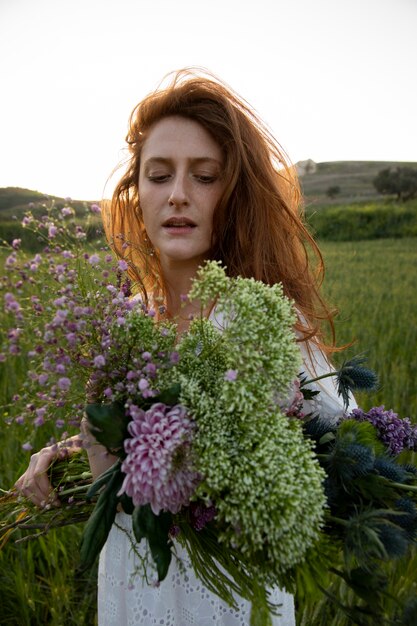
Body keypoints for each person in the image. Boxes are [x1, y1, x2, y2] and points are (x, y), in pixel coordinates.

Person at [15, 69, 355, 625]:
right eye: (158, 175)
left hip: (232, 601)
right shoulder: (119, 324)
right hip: (133, 588)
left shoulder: (260, 318)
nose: (177, 194)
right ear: (138, 193)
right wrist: (66, 455)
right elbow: (128, 443)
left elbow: (346, 442)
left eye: (203, 176)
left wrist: (271, 428)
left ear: (232, 193)